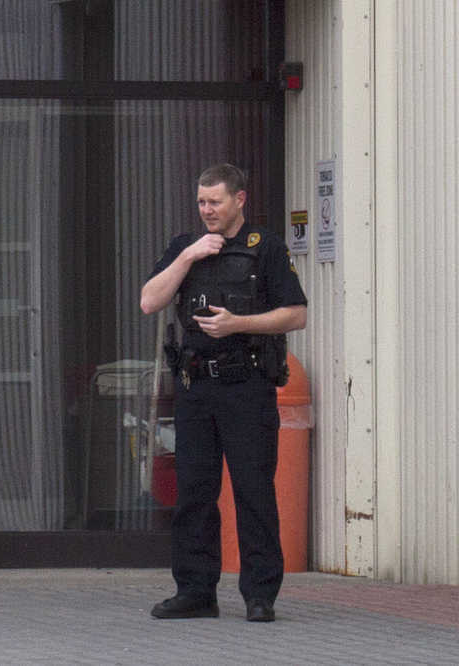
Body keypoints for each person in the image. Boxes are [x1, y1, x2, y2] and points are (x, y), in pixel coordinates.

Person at [140, 164, 307, 623]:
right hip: (196, 386)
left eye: (215, 201)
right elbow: (150, 301)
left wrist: (239, 324)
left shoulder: (265, 248)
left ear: (239, 200)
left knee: (253, 490)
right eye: (201, 202)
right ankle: (195, 591)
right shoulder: (185, 248)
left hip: (246, 385)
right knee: (194, 491)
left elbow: (295, 314)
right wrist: (188, 256)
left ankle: (259, 595)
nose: (207, 210)